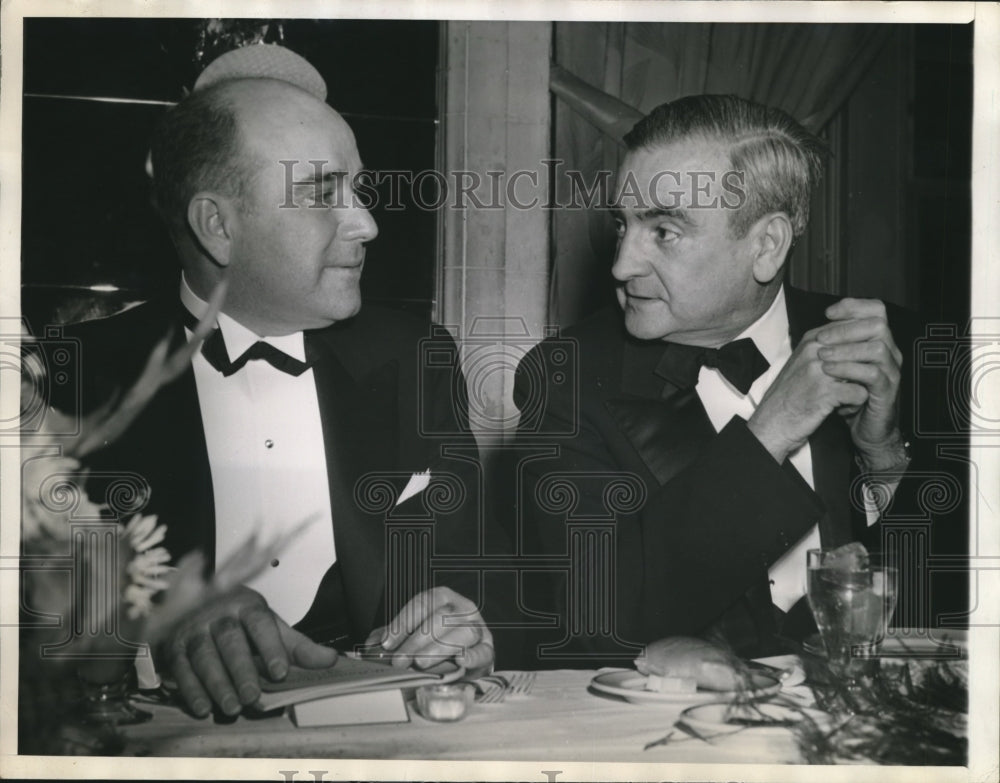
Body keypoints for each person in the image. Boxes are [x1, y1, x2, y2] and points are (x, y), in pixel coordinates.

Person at [61, 47, 494, 717]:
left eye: (360, 191)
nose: (368, 223)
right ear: (219, 227)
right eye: (324, 193)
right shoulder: (75, 380)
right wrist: (156, 635)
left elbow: (468, 584)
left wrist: (461, 626)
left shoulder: (419, 358)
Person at [514, 94, 935, 664]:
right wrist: (770, 430)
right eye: (623, 224)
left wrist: (882, 456)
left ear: (766, 245)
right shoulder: (563, 377)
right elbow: (599, 621)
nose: (620, 265)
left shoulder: (893, 344)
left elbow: (958, 601)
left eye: (664, 230)